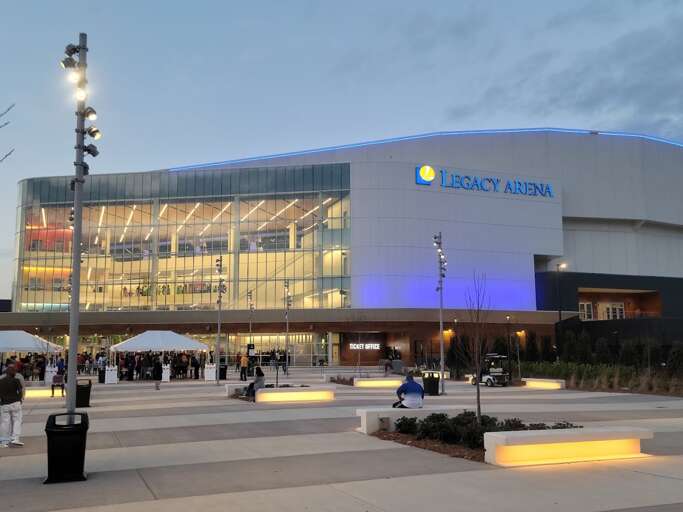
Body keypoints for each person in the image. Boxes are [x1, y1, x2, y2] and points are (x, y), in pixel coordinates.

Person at [0, 363, 25, 447]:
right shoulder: (16, 380)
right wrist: (20, 399)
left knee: (4, 422)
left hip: (4, 404)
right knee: (17, 421)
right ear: (14, 373)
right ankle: (15, 438)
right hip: (15, 403)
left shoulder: (1, 381)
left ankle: (4, 442)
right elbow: (20, 391)